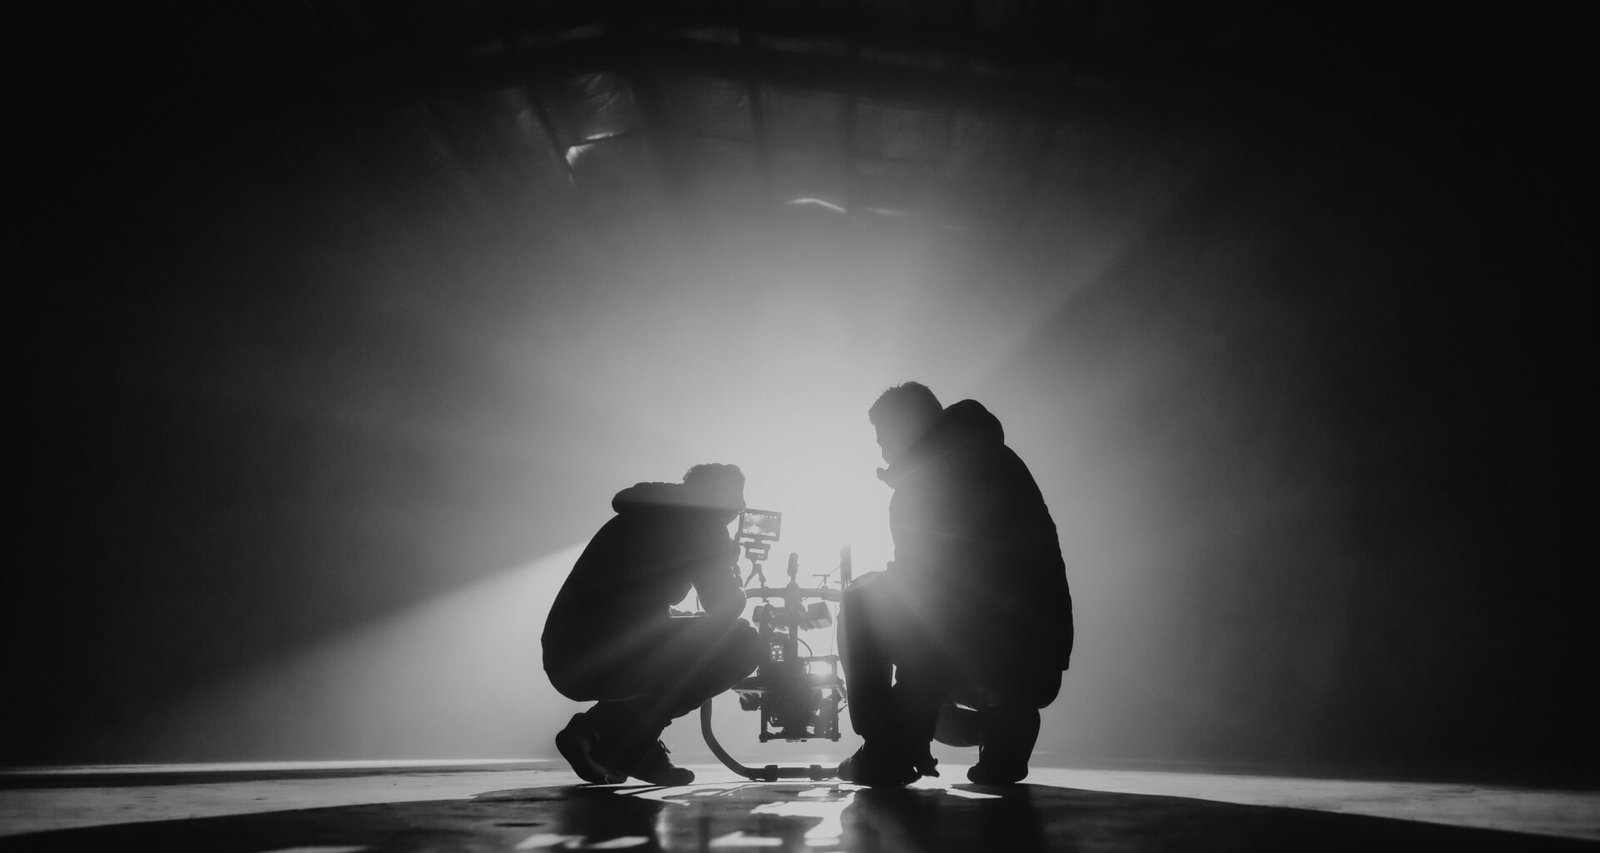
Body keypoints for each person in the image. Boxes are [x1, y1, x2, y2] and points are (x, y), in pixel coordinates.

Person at [837, 382, 1073, 786]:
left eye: (882, 438)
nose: (882, 451)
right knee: (906, 604)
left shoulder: (927, 482)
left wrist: (907, 725)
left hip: (974, 648)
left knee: (861, 597)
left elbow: (931, 598)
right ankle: (1004, 730)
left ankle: (884, 746)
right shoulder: (995, 458)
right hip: (1037, 663)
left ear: (904, 428)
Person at [543, 463, 763, 785]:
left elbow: (635, 611)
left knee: (698, 635)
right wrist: (731, 567)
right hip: (609, 652)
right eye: (736, 495)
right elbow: (726, 608)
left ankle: (608, 739)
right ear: (716, 496)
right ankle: (613, 739)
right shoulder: (704, 525)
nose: (741, 506)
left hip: (566, 656)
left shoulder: (641, 515)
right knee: (743, 642)